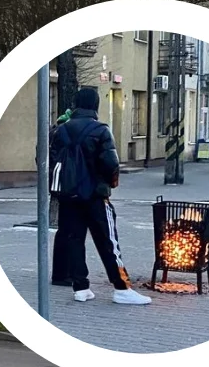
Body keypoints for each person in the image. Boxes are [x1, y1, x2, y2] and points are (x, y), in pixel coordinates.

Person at [49, 88, 150, 305]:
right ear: (95, 105)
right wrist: (108, 184)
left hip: (68, 196)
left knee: (74, 240)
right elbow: (111, 163)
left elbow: (50, 159)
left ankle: (81, 288)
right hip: (94, 196)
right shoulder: (100, 130)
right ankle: (122, 288)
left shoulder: (60, 131)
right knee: (108, 241)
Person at [50, 108, 73, 286]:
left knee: (65, 230)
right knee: (68, 231)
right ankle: (62, 274)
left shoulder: (53, 132)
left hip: (58, 185)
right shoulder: (63, 134)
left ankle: (63, 273)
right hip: (66, 186)